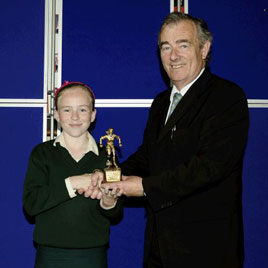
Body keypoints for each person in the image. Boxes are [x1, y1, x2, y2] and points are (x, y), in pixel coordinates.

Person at [85, 12, 249, 268]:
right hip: (159, 246)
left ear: (204, 48)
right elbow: (148, 156)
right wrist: (112, 175)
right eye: (166, 47)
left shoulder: (226, 98)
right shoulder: (161, 103)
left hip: (207, 249)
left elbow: (210, 167)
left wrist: (145, 187)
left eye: (183, 45)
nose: (173, 56)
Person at [23, 81, 123, 268]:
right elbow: (31, 203)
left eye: (83, 110)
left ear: (93, 115)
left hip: (93, 254)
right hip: (50, 254)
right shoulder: (42, 154)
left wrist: (109, 201)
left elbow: (116, 212)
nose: (75, 117)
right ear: (57, 115)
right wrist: (74, 182)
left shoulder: (107, 157)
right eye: (67, 110)